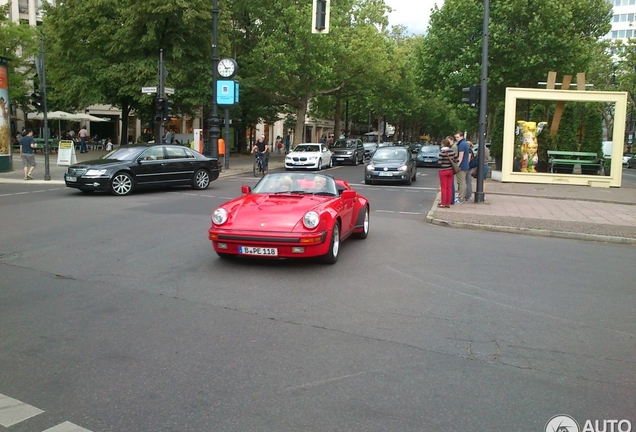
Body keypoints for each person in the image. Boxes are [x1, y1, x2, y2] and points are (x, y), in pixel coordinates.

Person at [437, 138, 457, 208]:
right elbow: (456, 160)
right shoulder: (452, 151)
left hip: (444, 171)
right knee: (449, 187)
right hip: (451, 171)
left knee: (444, 188)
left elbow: (439, 162)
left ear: (443, 144)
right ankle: (448, 203)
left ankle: (443, 203)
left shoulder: (442, 152)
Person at [454, 131, 470, 203]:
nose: (457, 139)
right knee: (462, 181)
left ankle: (461, 198)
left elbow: (461, 156)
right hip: (465, 165)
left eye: (458, 137)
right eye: (456, 137)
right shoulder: (465, 144)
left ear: (462, 136)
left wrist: (457, 166)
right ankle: (461, 196)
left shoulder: (461, 145)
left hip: (461, 166)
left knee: (461, 182)